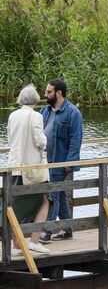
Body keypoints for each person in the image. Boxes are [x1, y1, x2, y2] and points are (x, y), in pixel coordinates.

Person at [6, 85, 50, 256]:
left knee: (17, 206)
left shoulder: (13, 115)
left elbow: (10, 138)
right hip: (32, 168)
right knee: (46, 200)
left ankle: (17, 245)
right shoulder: (36, 116)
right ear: (36, 99)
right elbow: (41, 141)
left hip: (14, 165)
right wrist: (44, 143)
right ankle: (34, 241)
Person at [39, 79, 82, 242]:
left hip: (61, 161)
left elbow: (76, 139)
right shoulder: (45, 111)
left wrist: (69, 163)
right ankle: (67, 228)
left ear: (58, 93)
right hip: (45, 161)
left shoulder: (73, 112)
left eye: (49, 92)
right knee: (60, 194)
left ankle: (47, 232)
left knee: (53, 196)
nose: (45, 94)